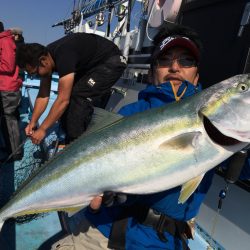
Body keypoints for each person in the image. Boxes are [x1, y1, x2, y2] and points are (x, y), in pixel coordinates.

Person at [51, 23, 249, 250]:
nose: (175, 67)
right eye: (165, 60)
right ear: (153, 71)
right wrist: (105, 192)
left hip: (164, 242)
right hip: (103, 231)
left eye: (186, 61)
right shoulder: (130, 114)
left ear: (197, 75)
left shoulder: (226, 139)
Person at [16, 32, 127, 145]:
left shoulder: (64, 56)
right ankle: (67, 137)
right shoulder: (47, 59)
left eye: (35, 73)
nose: (34, 77)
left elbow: (63, 100)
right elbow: (43, 95)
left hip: (112, 61)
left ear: (43, 61)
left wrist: (43, 129)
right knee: (71, 94)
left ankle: (76, 145)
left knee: (78, 96)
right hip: (90, 66)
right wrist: (33, 122)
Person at [0, 21, 23, 162]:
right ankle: (9, 148)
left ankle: (15, 153)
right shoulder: (5, 40)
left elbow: (8, 66)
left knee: (9, 120)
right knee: (5, 119)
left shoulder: (4, 42)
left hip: (7, 88)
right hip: (4, 86)